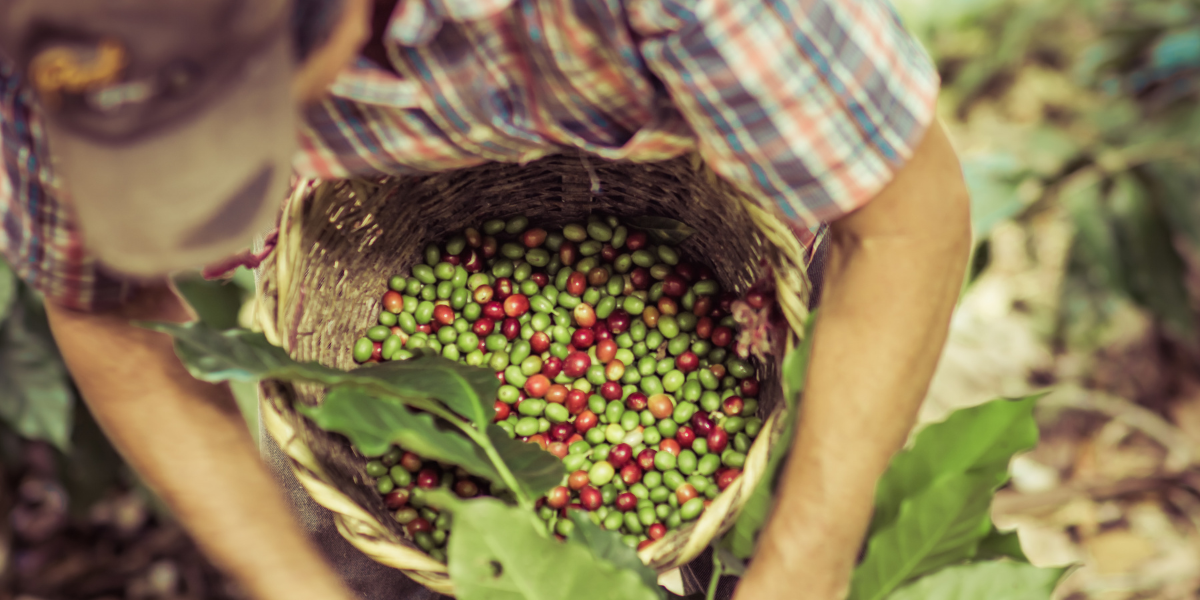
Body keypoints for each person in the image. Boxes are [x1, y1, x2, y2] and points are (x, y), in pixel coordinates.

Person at [0, 0, 971, 598]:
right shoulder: (63, 44)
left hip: (730, 259)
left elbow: (904, 223)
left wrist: (804, 572)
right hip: (398, 304)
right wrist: (292, 588)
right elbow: (103, 306)